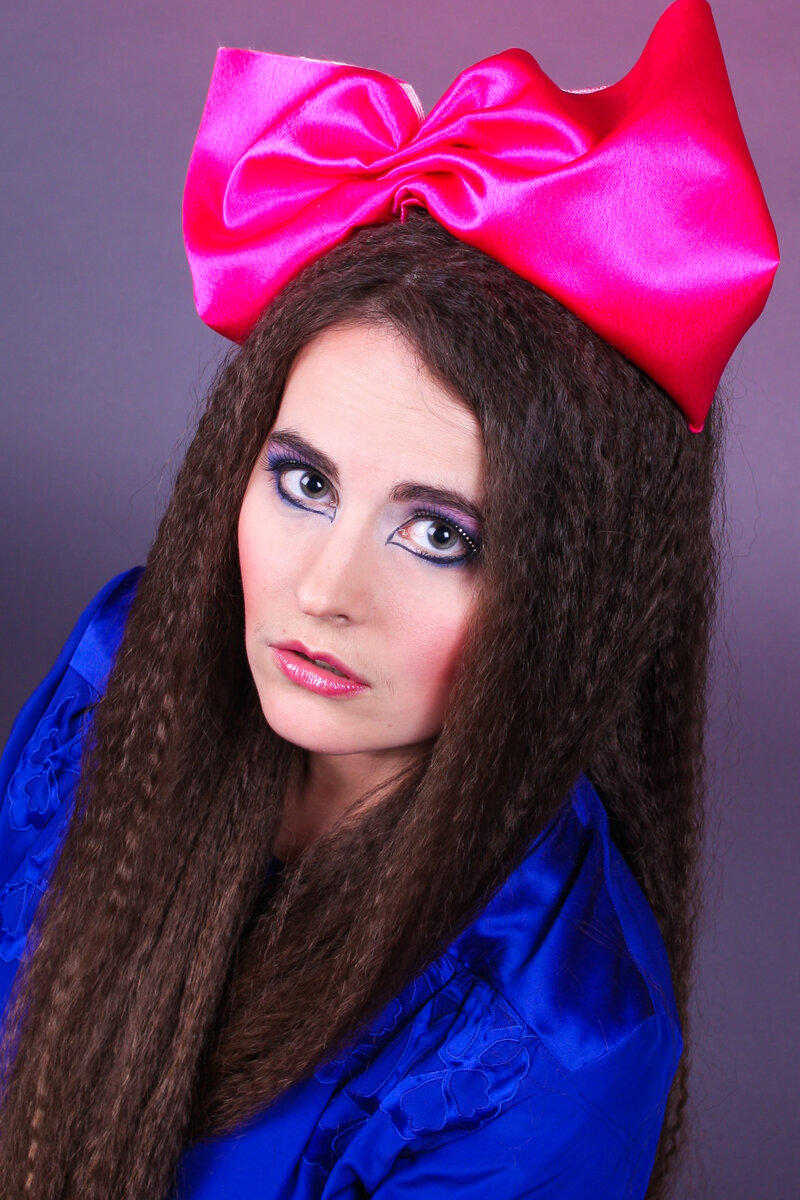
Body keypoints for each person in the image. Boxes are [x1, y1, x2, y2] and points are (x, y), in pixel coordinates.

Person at [0, 0, 778, 1196]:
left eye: (436, 535)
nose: (322, 591)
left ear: (571, 598)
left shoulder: (551, 1054)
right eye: (303, 483)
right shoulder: (123, 673)